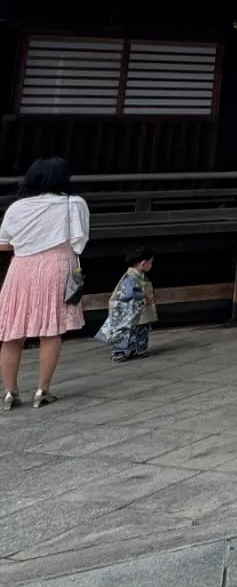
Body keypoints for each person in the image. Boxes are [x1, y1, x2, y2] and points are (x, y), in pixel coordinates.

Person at [0, 157, 90, 410]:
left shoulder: (17, 207)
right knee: (50, 329)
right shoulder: (73, 204)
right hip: (56, 265)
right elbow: (79, 240)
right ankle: (42, 389)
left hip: (20, 267)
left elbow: (4, 243)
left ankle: (10, 392)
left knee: (12, 331)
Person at [99, 247, 157, 362]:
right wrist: (144, 297)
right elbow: (128, 293)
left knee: (139, 330)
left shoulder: (137, 277)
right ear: (143, 263)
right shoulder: (130, 278)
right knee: (126, 331)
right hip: (128, 311)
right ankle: (121, 352)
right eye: (151, 263)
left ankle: (138, 349)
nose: (151, 265)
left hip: (137, 310)